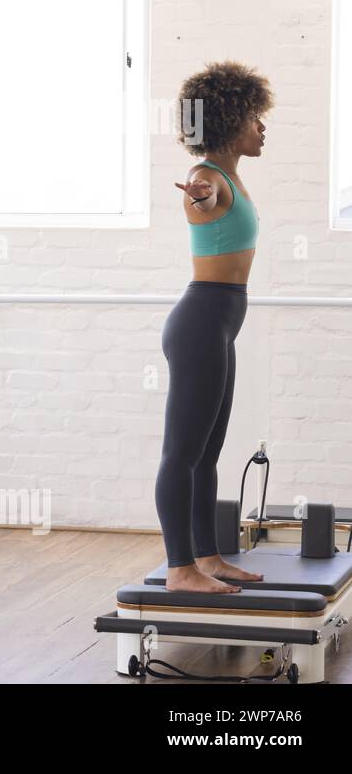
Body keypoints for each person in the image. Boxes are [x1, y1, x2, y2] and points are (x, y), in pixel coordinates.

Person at [159, 59, 272, 592]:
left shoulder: (230, 175)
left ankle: (207, 558)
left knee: (207, 453)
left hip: (219, 324)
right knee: (182, 453)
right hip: (202, 322)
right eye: (254, 117)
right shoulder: (209, 178)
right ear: (229, 120)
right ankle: (179, 568)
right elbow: (201, 200)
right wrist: (198, 200)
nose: (262, 126)